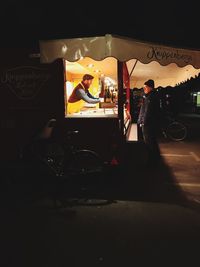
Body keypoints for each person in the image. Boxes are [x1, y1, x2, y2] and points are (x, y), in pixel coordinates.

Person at [137, 79, 161, 166]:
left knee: (149, 143)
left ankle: (152, 162)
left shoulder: (151, 97)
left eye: (145, 87)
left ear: (150, 87)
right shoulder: (149, 96)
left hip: (149, 124)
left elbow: (148, 111)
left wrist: (143, 122)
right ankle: (155, 160)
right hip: (150, 123)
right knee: (152, 142)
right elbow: (144, 110)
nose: (144, 89)